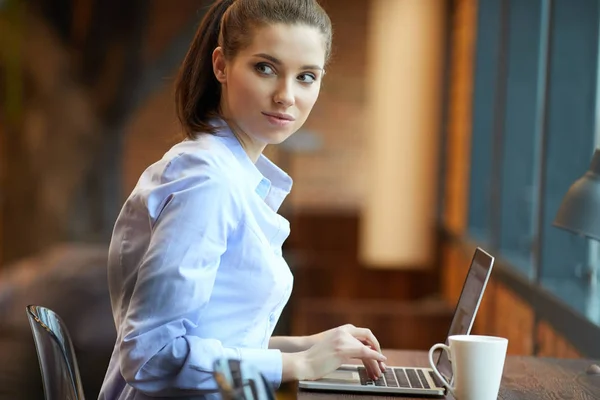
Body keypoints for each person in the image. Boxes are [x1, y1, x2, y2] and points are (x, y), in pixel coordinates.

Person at [98, 0, 387, 399]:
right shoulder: (208, 183)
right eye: (265, 68)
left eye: (306, 76)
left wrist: (310, 345)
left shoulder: (224, 173)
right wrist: (300, 364)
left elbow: (215, 339)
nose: (286, 95)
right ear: (221, 66)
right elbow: (151, 356)